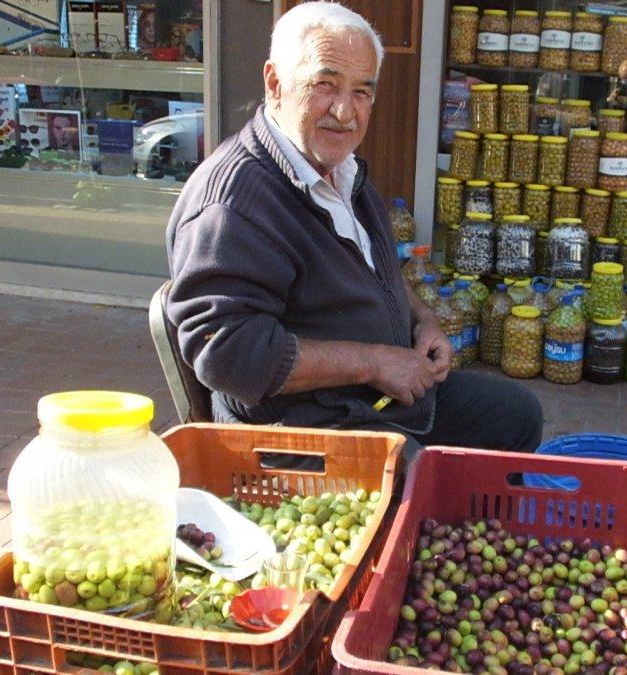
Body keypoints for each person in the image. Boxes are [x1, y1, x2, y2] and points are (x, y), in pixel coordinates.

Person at [164, 2, 543, 464]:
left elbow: (377, 268)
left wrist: (421, 321)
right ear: (274, 83)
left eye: (362, 92)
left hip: (371, 401)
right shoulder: (234, 202)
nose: (345, 112)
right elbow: (227, 353)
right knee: (411, 476)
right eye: (325, 85)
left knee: (516, 414)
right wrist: (375, 361)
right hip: (297, 430)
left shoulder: (339, 171)